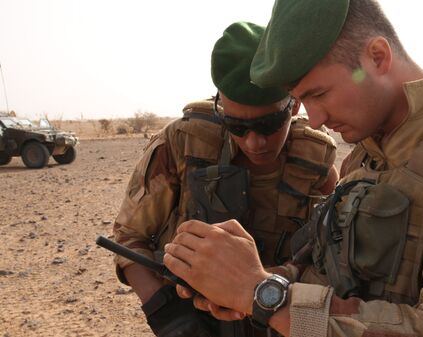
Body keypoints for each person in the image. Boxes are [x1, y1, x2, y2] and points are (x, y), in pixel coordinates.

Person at [163, 1, 423, 336]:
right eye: (303, 101)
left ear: (377, 56)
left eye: (319, 94)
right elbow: (327, 273)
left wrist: (263, 293)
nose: (316, 120)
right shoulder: (364, 158)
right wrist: (237, 277)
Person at [112, 21, 338, 337]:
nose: (254, 143)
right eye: (236, 125)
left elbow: (330, 252)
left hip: (276, 317)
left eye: (269, 123)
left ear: (294, 105)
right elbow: (128, 237)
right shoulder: (182, 143)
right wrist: (168, 315)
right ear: (220, 106)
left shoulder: (315, 159)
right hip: (195, 319)